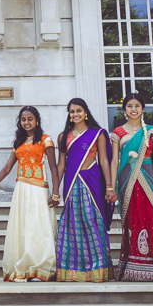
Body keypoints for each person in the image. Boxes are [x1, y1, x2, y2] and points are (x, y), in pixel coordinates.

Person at [0, 106, 60, 282]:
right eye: (23, 119)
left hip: (39, 189)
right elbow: (7, 168)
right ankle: (24, 268)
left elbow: (54, 168)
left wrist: (55, 194)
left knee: (38, 227)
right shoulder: (19, 143)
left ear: (37, 121)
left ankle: (40, 268)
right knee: (24, 228)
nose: (26, 122)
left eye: (30, 119)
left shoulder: (46, 140)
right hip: (21, 190)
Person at [54, 98, 115, 283]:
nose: (75, 114)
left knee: (92, 220)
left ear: (85, 111)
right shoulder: (64, 136)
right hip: (72, 183)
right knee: (73, 223)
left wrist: (110, 186)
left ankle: (98, 267)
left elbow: (104, 160)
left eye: (78, 110)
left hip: (93, 180)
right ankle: (74, 269)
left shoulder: (98, 134)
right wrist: (55, 190)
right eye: (72, 111)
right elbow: (61, 164)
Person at [110, 92, 153, 281]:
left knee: (149, 219)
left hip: (149, 182)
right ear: (124, 109)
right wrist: (110, 187)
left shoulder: (152, 132)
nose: (133, 109)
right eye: (129, 106)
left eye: (137, 105)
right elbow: (114, 162)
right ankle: (130, 268)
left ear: (143, 108)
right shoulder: (118, 133)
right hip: (127, 182)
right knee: (132, 221)